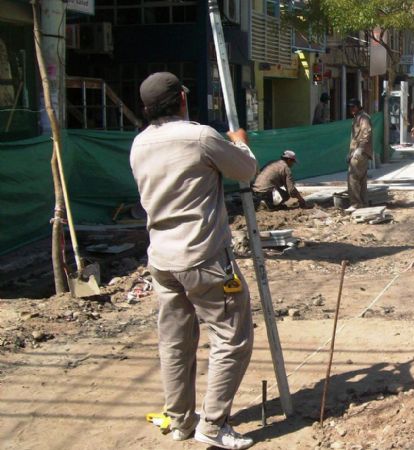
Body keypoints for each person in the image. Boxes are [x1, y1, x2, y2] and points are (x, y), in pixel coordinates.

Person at [129, 72, 257, 449]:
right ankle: (214, 426)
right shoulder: (199, 137)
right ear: (182, 101)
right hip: (202, 257)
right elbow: (245, 171)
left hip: (162, 259)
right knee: (232, 337)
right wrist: (241, 143)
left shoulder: (139, 144)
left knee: (175, 342)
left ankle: (181, 421)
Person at [347, 98, 372, 210]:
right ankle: (363, 203)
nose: (351, 109)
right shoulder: (357, 117)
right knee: (361, 179)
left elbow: (366, 133)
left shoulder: (363, 118)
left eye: (353, 107)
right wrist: (351, 152)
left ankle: (356, 203)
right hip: (357, 151)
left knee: (353, 177)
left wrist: (359, 149)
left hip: (360, 152)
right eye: (350, 107)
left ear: (358, 106)